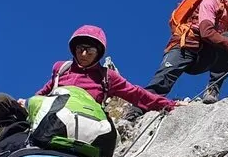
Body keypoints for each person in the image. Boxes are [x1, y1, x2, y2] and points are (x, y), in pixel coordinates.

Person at [36, 25, 176, 112]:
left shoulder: (107, 77)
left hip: (85, 123)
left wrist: (170, 105)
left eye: (89, 50)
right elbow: (44, 92)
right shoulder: (61, 68)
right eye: (80, 49)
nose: (84, 54)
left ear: (98, 53)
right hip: (52, 117)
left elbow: (137, 94)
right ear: (74, 49)